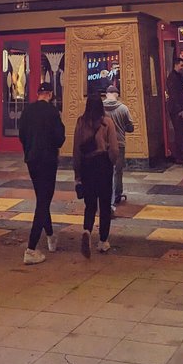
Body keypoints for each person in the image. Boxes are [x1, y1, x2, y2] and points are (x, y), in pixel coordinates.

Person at [18, 81, 66, 264]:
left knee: (42, 198)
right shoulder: (53, 112)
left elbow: (21, 134)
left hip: (32, 160)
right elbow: (60, 139)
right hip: (48, 160)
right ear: (51, 94)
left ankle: (51, 236)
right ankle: (31, 248)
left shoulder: (27, 111)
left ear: (38, 93)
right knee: (44, 201)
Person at [72, 92, 118, 256]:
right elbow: (113, 148)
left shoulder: (80, 122)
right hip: (103, 164)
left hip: (87, 165)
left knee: (90, 204)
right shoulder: (107, 123)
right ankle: (103, 241)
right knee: (105, 205)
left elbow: (76, 149)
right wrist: (112, 162)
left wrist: (77, 174)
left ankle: (87, 230)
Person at [103, 84, 134, 213]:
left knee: (105, 171)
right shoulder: (123, 108)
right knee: (117, 171)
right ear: (117, 94)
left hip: (103, 144)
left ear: (106, 94)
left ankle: (105, 196)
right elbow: (130, 128)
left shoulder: (100, 108)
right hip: (119, 143)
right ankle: (116, 195)